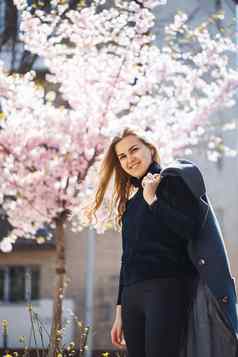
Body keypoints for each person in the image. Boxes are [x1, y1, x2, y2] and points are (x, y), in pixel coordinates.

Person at [88, 126, 206, 357]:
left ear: (150, 149)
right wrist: (119, 311)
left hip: (165, 288)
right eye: (122, 156)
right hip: (133, 295)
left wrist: (153, 200)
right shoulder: (131, 204)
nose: (129, 159)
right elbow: (127, 258)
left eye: (134, 150)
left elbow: (191, 229)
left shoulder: (172, 181)